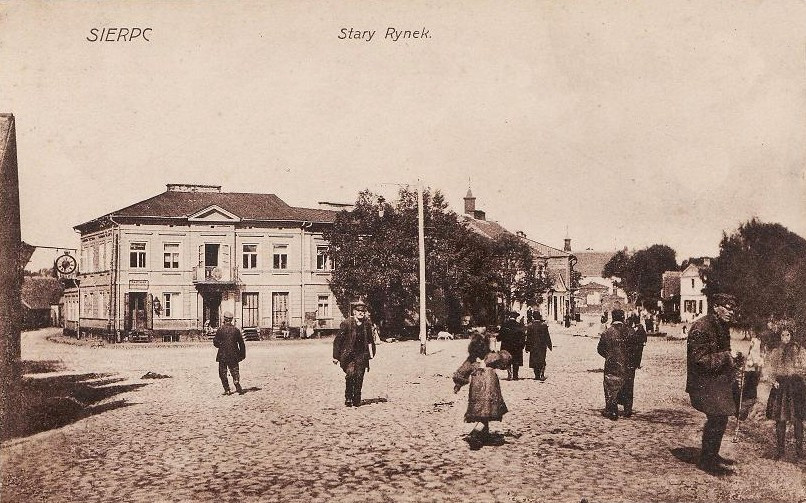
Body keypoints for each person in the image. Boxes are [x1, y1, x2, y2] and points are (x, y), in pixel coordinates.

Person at [686, 293, 743, 476]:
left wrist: (735, 360)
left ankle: (711, 454)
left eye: (733, 308)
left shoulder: (720, 325)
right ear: (716, 307)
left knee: (720, 418)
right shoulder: (702, 327)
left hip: (715, 381)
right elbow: (699, 360)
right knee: (717, 417)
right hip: (703, 383)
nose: (731, 312)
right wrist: (728, 357)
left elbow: (721, 355)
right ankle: (707, 461)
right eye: (727, 307)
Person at [453, 330, 512, 450]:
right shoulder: (491, 357)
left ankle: (484, 435)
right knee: (487, 412)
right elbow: (506, 359)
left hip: (476, 387)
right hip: (491, 386)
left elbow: (462, 371)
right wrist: (496, 349)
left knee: (481, 411)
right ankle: (475, 434)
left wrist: (458, 384)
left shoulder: (471, 360)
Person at [764, 327, 806, 460]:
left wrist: (801, 378)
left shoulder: (800, 351)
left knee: (798, 419)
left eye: (788, 335)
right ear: (780, 337)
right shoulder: (776, 351)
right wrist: (772, 381)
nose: (785, 338)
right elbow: (769, 369)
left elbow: (805, 367)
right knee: (780, 419)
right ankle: (780, 450)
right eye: (783, 335)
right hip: (781, 387)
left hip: (796, 387)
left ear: (792, 336)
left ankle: (799, 451)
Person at [332, 301, 376, 407]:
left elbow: (370, 340)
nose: (361, 313)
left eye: (363, 311)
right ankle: (348, 397)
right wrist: (335, 356)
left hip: (362, 355)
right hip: (349, 355)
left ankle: (357, 398)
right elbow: (338, 340)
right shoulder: (347, 323)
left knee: (359, 376)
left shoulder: (367, 324)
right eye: (359, 311)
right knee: (350, 374)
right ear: (354, 312)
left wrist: (371, 353)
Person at [597, 309, 635, 420]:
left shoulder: (607, 332)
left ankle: (612, 410)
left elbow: (600, 349)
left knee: (610, 385)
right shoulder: (630, 331)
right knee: (628, 384)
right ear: (623, 318)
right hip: (628, 363)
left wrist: (609, 356)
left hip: (612, 363)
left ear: (612, 318)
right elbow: (636, 348)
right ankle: (628, 409)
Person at [213, 311, 246, 395]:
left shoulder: (220, 329)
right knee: (235, 370)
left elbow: (215, 342)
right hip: (234, 354)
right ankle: (236, 381)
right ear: (231, 320)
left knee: (222, 372)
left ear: (224, 319)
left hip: (223, 354)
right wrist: (242, 354)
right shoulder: (236, 330)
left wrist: (220, 345)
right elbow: (241, 343)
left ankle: (227, 389)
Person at [497, 311, 526, 380]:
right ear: (516, 317)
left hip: (506, 346)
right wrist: (522, 345)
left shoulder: (504, 325)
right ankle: (515, 375)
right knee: (516, 360)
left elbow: (500, 336)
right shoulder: (519, 325)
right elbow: (523, 336)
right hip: (516, 346)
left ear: (510, 316)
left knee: (507, 360)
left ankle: (509, 374)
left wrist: (498, 338)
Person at [525, 312, 552, 381]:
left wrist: (527, 347)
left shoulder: (530, 326)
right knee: (542, 359)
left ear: (533, 317)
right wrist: (549, 345)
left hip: (533, 346)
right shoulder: (544, 326)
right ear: (539, 317)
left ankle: (536, 375)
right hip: (542, 346)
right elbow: (547, 337)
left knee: (534, 360)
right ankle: (541, 373)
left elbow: (528, 338)